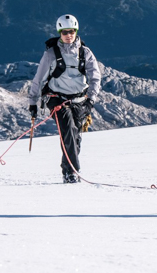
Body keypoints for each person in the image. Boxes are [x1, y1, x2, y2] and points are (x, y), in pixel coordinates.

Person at [28, 14, 102, 183]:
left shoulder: (85, 53)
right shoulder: (51, 54)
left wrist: (90, 101)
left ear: (76, 31)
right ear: (59, 33)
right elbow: (38, 79)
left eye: (72, 31)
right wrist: (32, 102)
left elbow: (95, 78)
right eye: (65, 32)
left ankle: (67, 171)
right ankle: (73, 174)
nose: (68, 35)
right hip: (56, 99)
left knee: (75, 137)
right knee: (67, 128)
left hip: (79, 100)